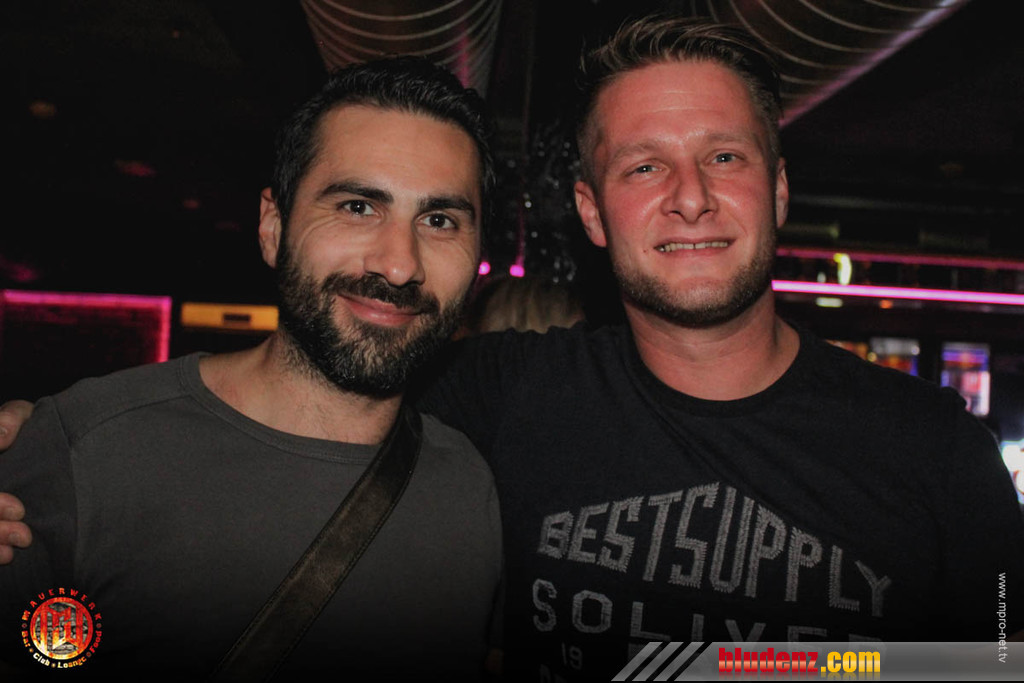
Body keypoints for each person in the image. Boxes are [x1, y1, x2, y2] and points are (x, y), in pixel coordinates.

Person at [3, 12, 1024, 683]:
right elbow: (303, 395)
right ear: (591, 210)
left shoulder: (935, 449)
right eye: (642, 166)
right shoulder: (497, 396)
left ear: (781, 187)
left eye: (724, 155)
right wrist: (41, 439)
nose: (691, 197)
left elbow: (998, 660)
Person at [0, 57, 502, 680]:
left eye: (440, 220)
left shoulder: (470, 487)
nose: (399, 265)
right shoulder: (87, 448)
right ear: (273, 227)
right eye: (357, 207)